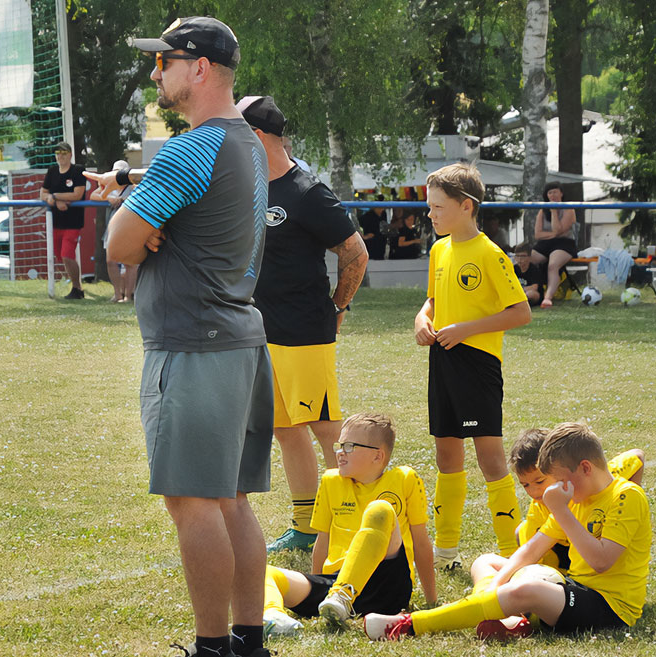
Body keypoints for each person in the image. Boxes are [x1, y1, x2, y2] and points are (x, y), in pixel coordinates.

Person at [108, 17, 274, 657]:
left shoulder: (190, 146)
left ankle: (213, 649)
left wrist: (141, 227)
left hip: (194, 344)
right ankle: (248, 642)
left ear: (199, 68)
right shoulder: (248, 144)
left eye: (166, 61)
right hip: (235, 337)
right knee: (230, 501)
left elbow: (118, 244)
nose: (157, 73)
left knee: (194, 504)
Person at [363, 422, 652, 642]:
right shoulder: (577, 499)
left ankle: (408, 624)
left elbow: (601, 561)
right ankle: (505, 616)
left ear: (585, 468)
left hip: (610, 607)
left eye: (561, 480)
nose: (555, 490)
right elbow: (531, 550)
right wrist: (495, 585)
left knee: (529, 588)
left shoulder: (626, 496)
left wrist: (561, 511)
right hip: (574, 587)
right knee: (487, 562)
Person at [237, 95, 370, 554]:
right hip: (264, 332)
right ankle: (306, 523)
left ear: (256, 137)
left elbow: (354, 253)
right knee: (285, 429)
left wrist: (338, 308)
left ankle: (358, 516)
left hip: (306, 333)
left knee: (326, 429)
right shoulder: (249, 185)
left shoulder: (307, 191)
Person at [414, 163, 532, 571]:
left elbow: (520, 312)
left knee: (490, 459)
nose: (430, 214)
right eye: (429, 206)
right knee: (447, 457)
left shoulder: (489, 253)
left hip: (477, 365)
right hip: (442, 360)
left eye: (438, 207)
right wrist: (422, 317)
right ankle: (445, 552)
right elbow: (432, 299)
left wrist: (467, 329)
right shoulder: (438, 250)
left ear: (467, 206)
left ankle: (510, 552)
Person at [260, 413, 437, 636]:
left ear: (378, 456)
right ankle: (275, 618)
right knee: (264, 573)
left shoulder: (405, 479)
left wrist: (432, 601)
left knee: (380, 510)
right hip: (334, 586)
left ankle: (343, 594)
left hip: (386, 582)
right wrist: (316, 582)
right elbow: (321, 543)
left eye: (350, 446)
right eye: (340, 445)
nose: (340, 452)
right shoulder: (330, 481)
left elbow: (421, 543)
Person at [508, 428, 645, 572]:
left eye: (540, 481)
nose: (533, 492)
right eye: (525, 485)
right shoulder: (538, 511)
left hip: (597, 554)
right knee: (520, 533)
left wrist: (622, 512)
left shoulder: (599, 479)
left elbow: (637, 456)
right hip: (565, 554)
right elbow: (531, 555)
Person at [39, 141, 88, 299]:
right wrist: (51, 198)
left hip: (72, 221)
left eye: (64, 153)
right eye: (58, 153)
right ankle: (73, 284)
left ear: (70, 154)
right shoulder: (52, 171)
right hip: (55, 221)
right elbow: (43, 193)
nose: (60, 156)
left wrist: (55, 196)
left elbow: (77, 195)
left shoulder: (77, 170)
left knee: (67, 254)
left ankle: (77, 288)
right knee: (60, 256)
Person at [92, 160, 139, 303]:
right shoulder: (109, 186)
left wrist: (126, 199)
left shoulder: (134, 187)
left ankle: (128, 296)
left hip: (129, 227)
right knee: (110, 261)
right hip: (112, 227)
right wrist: (110, 198)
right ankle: (117, 294)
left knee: (130, 263)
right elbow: (93, 195)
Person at [531, 182, 577, 309]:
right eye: (550, 192)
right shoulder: (542, 210)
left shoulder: (568, 208)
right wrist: (553, 235)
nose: (552, 195)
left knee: (553, 265)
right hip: (546, 243)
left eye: (555, 192)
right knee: (529, 259)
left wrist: (554, 212)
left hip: (565, 243)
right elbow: (537, 234)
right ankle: (532, 291)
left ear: (561, 193)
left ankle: (547, 298)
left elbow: (558, 230)